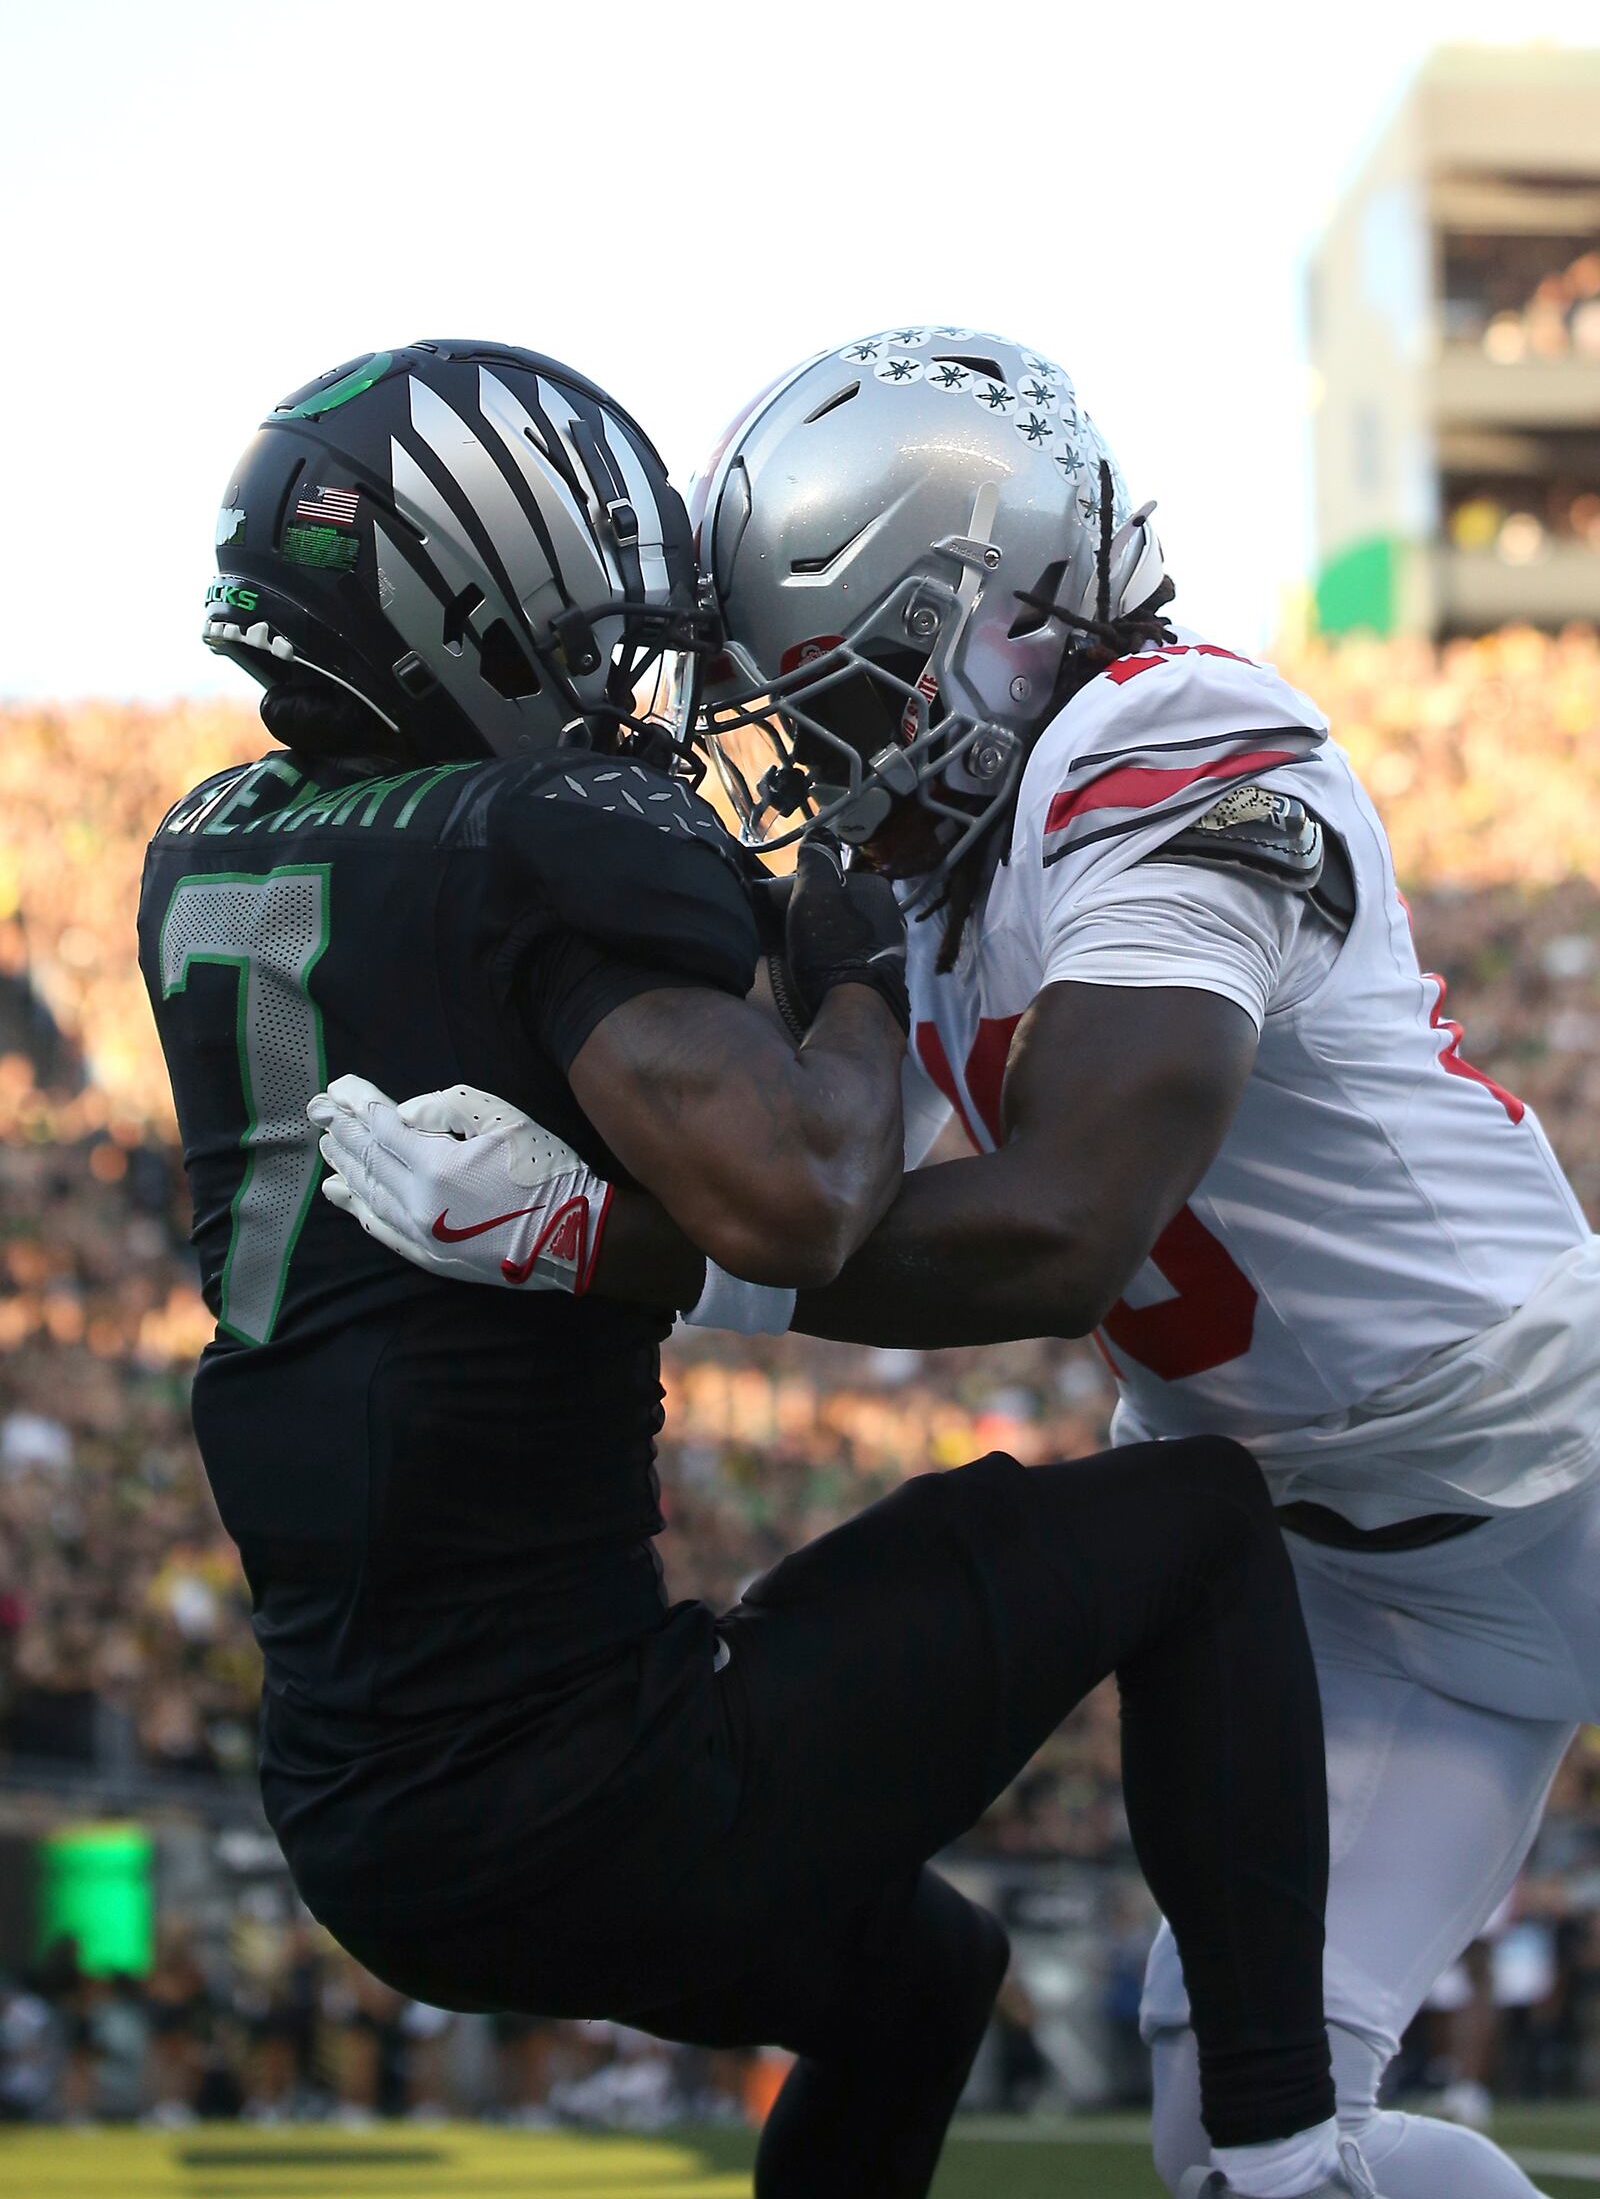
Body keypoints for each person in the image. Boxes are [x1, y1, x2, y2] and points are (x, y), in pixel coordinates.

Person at [330, 325, 1600, 2199]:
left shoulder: (1169, 738)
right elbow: (789, 1152)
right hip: (1355, 1582)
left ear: (983, 616)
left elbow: (1065, 1219)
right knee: (1252, 2137)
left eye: (830, 706)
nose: (809, 768)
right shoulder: (949, 880)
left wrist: (616, 1246)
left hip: (1555, 1460)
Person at [145, 337, 1349, 2199]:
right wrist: (856, 968)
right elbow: (795, 1199)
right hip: (597, 1789)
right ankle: (1291, 2161)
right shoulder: (529, 835)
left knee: (921, 1973)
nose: (619, 688)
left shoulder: (204, 850)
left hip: (355, 1797)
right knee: (1194, 1520)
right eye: (585, 628)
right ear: (462, 594)